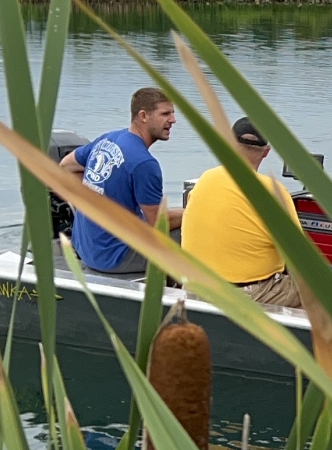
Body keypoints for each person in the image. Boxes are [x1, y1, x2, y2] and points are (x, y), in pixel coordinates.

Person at [179, 117, 304, 307]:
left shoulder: (205, 179)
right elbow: (299, 257)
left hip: (194, 288)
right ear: (266, 152)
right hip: (248, 295)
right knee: (320, 294)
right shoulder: (273, 191)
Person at [60, 86, 183, 275]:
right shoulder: (144, 163)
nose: (173, 120)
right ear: (143, 116)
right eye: (165, 114)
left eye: (173, 114)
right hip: (115, 258)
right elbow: (158, 223)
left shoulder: (107, 139)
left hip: (85, 249)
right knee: (192, 230)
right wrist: (194, 212)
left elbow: (66, 166)